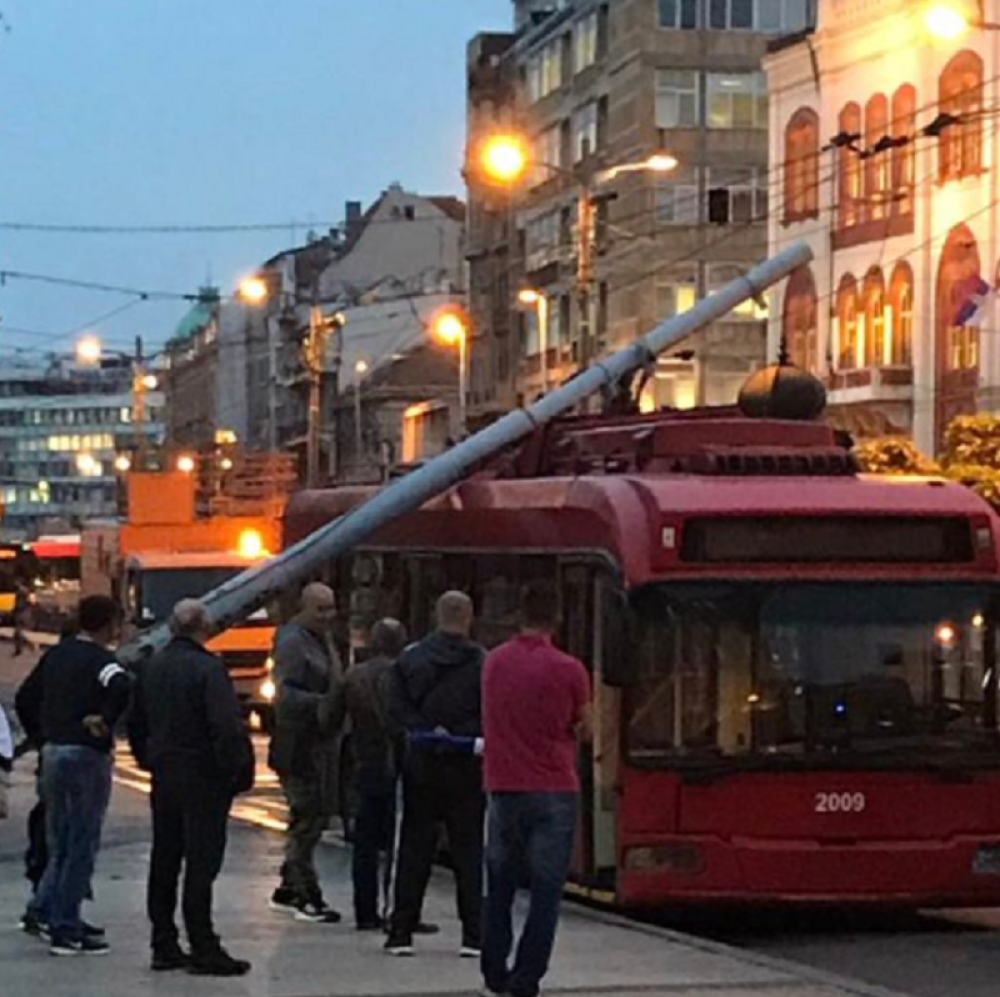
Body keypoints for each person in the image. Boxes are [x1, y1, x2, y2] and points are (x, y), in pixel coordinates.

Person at [128, 599, 255, 976]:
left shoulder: (152, 666)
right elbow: (225, 726)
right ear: (204, 628)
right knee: (201, 862)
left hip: (165, 772)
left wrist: (148, 759)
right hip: (203, 776)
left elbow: (136, 722)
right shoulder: (208, 668)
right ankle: (204, 943)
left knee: (165, 857)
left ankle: (164, 942)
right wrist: (235, 770)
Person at [479, 580, 591, 997]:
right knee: (545, 893)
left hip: (503, 785)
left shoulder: (492, 663)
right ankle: (526, 978)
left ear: (518, 617)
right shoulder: (570, 669)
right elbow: (586, 727)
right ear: (556, 620)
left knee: (500, 885)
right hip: (554, 787)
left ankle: (494, 968)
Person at [16, 594, 131, 956]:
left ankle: (43, 908)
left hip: (53, 751)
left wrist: (41, 733)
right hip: (85, 753)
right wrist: (104, 719)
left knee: (59, 839)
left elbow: (25, 696)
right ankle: (65, 926)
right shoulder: (101, 660)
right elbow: (121, 685)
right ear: (109, 624)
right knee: (82, 841)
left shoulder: (57, 655)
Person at [385, 591, 485, 958]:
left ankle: (401, 932)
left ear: (435, 615)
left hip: (422, 765)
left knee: (414, 847)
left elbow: (394, 710)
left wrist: (426, 732)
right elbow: (491, 712)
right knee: (469, 851)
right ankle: (473, 935)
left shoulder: (411, 660)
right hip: (466, 765)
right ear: (470, 616)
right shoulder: (480, 662)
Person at [268, 582, 345, 923]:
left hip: (320, 742)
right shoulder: (293, 643)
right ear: (305, 607)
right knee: (308, 816)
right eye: (321, 609)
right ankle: (305, 891)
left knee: (314, 814)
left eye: (331, 608)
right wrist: (326, 703)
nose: (328, 616)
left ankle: (289, 883)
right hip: (299, 744)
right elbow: (286, 696)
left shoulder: (320, 639)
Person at [344, 618, 407, 930]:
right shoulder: (404, 674)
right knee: (399, 842)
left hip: (365, 764)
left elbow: (330, 716)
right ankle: (398, 910)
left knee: (365, 844)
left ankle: (365, 911)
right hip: (399, 766)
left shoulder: (354, 676)